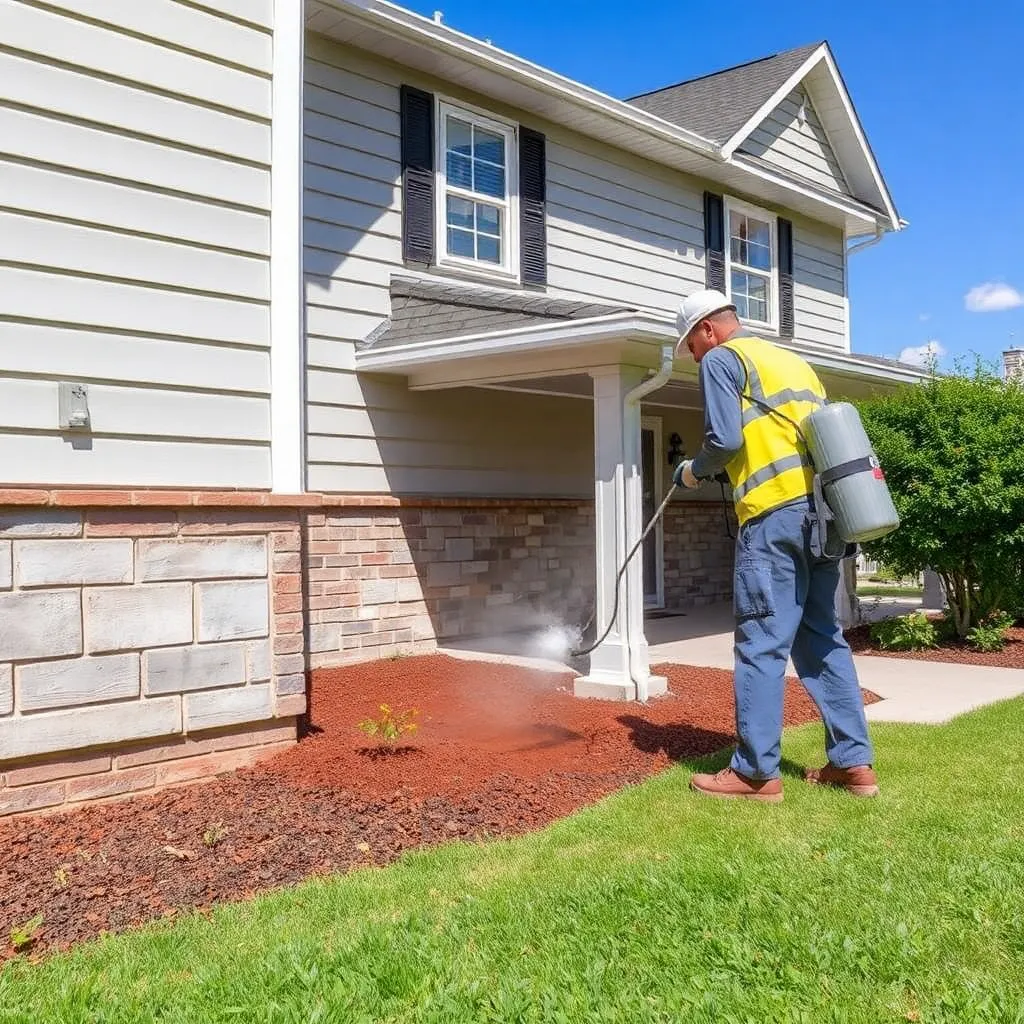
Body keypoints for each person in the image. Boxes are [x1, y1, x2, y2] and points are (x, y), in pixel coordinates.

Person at [672, 288, 879, 802]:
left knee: (761, 643)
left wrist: (693, 473)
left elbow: (724, 441)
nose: (695, 356)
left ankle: (754, 774)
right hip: (823, 517)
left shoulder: (723, 358)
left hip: (772, 519)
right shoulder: (792, 362)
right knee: (822, 638)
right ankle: (854, 766)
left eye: (691, 347)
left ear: (707, 330)